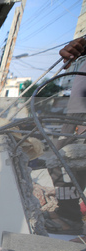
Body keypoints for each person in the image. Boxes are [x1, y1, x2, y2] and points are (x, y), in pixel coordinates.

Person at [44, 37, 86, 234]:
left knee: (63, 159)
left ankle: (69, 217)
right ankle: (69, 215)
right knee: (58, 159)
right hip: (77, 107)